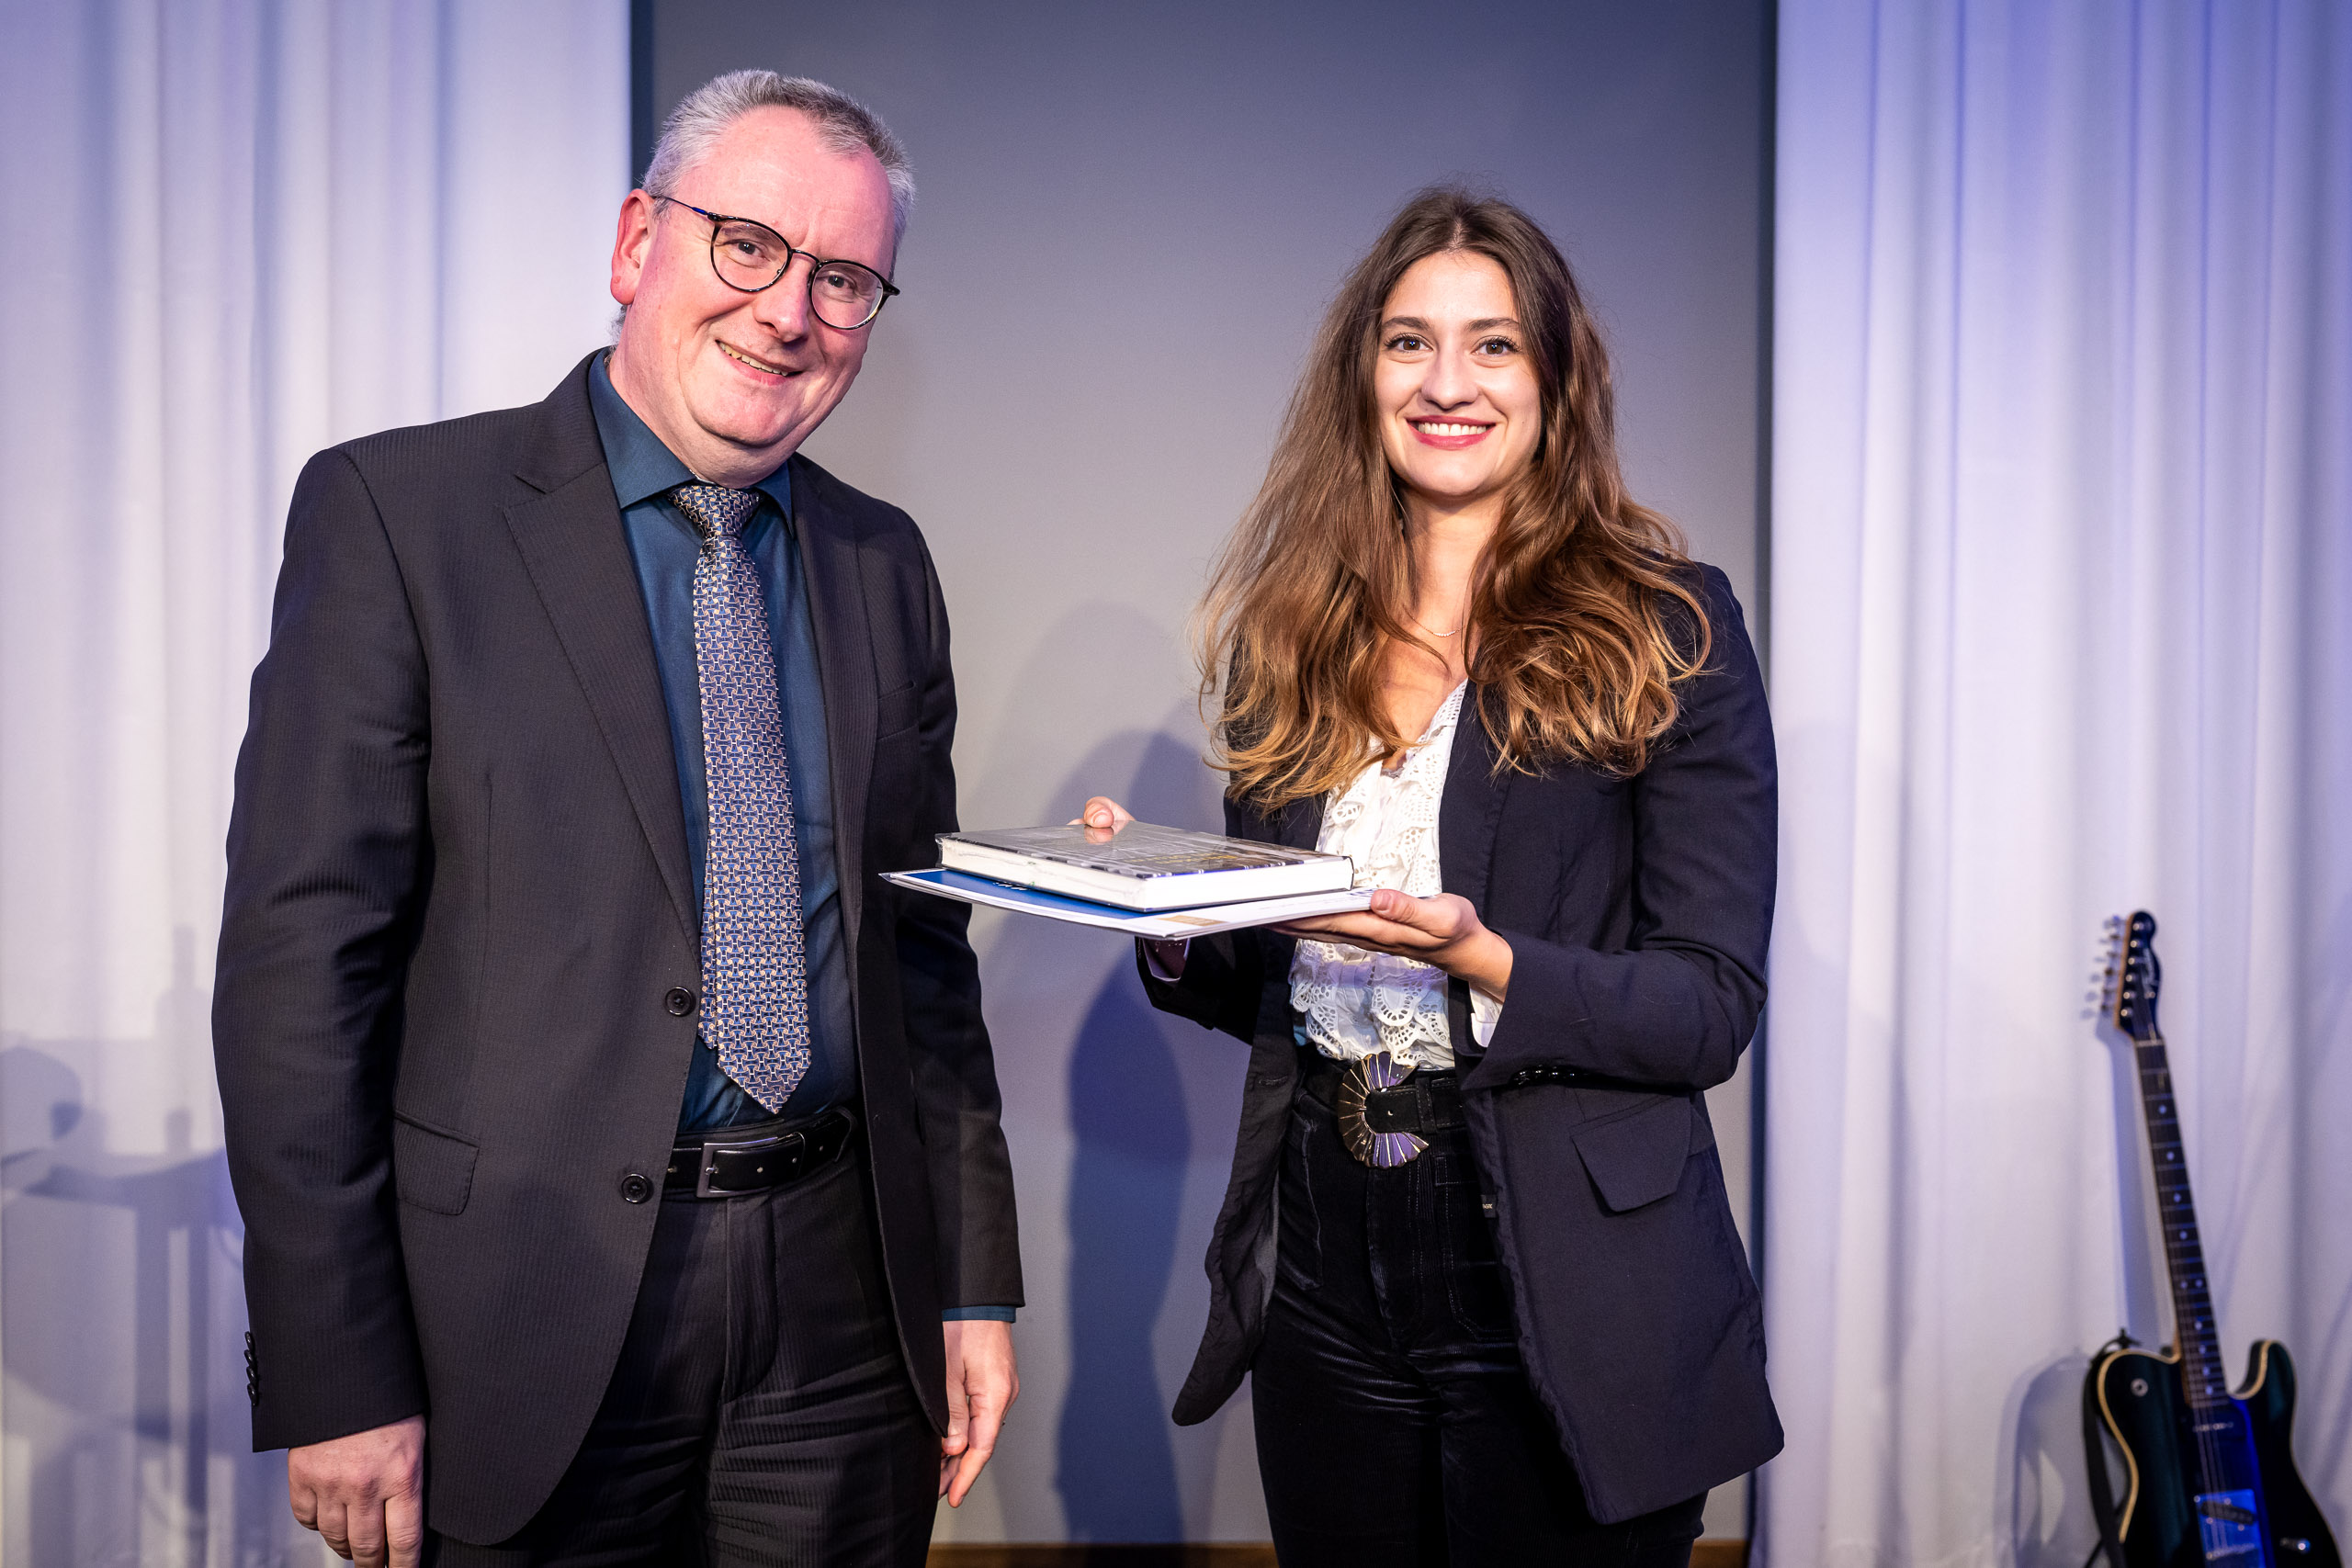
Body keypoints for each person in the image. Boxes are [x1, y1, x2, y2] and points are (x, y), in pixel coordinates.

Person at [214, 72, 1021, 1568]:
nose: (790, 312)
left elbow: (923, 960)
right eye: (748, 246)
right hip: (522, 1311)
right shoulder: (402, 516)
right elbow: (297, 978)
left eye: (845, 279)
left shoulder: (883, 562)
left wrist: (973, 1279)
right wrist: (336, 1367)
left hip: (846, 1319)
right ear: (638, 242)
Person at [1079, 187, 1781, 1565]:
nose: (1447, 383)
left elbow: (1708, 1010)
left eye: (1493, 345)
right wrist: (1164, 912)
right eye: (1410, 343)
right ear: (1364, 373)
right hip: (1325, 1260)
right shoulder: (1296, 631)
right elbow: (1279, 978)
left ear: (1556, 379)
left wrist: (1482, 958)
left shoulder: (1671, 627)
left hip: (1560, 1271)